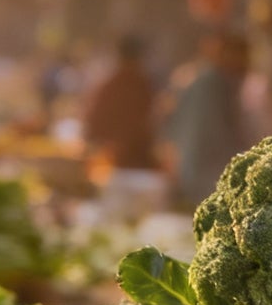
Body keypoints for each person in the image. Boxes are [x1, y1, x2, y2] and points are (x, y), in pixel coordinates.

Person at [164, 31, 250, 207]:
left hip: (197, 171)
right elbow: (215, 135)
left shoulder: (214, 81)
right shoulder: (211, 84)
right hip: (204, 175)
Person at [83, 35, 157, 171]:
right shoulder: (142, 86)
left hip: (114, 163)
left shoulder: (111, 85)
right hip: (131, 163)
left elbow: (92, 126)